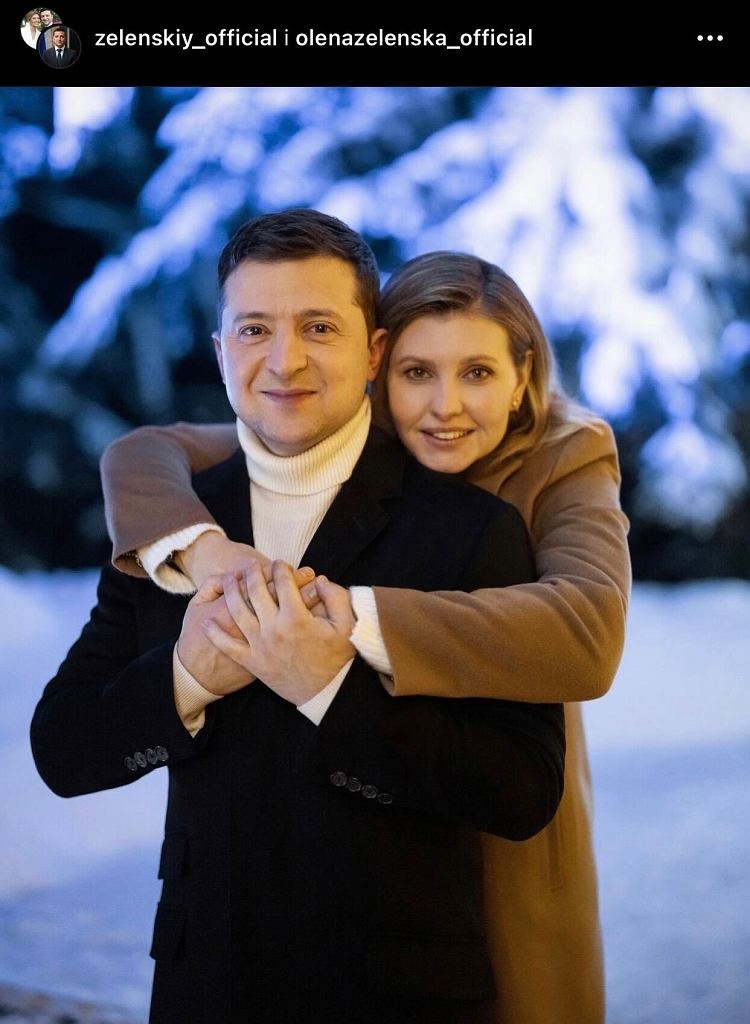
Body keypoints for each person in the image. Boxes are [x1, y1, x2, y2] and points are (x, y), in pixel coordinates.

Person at [31, 210, 565, 1024]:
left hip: (400, 997)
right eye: (255, 329)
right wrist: (185, 677)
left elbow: (524, 790)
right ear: (221, 351)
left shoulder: (472, 530)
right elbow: (62, 750)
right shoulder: (175, 531)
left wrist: (329, 690)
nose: (284, 360)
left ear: (373, 352)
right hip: (204, 985)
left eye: (319, 327)